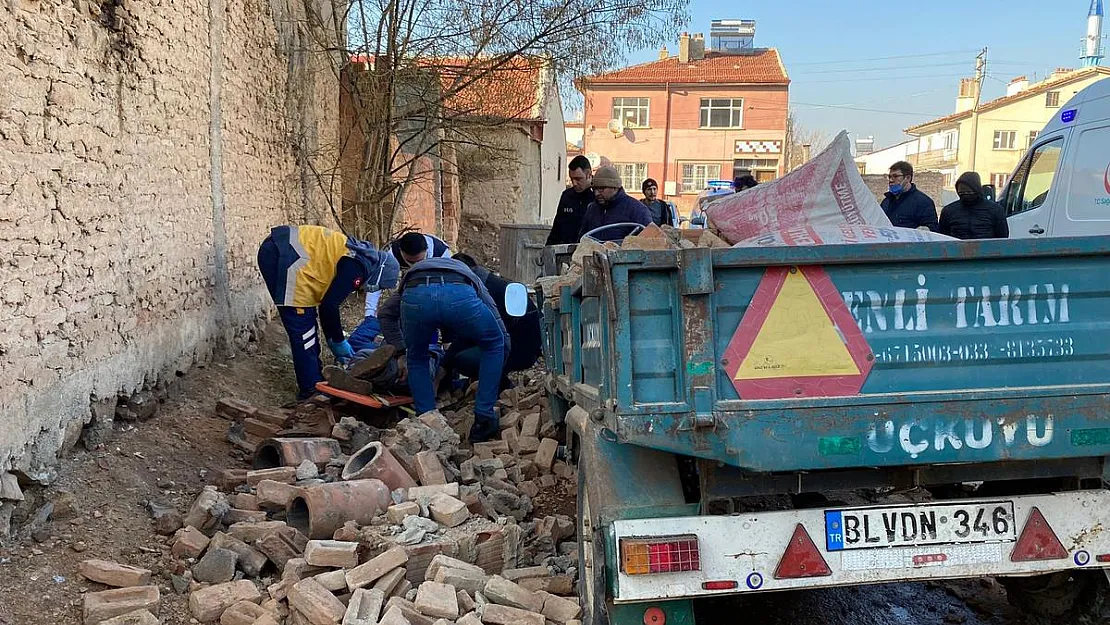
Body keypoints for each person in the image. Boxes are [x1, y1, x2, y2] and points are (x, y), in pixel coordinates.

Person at [257, 225, 399, 399]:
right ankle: (310, 391)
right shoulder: (358, 266)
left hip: (283, 250)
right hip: (284, 255)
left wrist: (335, 340)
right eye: (380, 285)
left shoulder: (360, 255)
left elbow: (328, 305)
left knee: (307, 327)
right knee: (304, 334)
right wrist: (338, 342)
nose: (373, 288)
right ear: (380, 274)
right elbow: (329, 306)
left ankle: (314, 381)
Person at [392, 257, 509, 442]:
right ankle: (484, 419)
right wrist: (504, 349)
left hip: (416, 293)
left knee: (416, 357)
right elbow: (492, 310)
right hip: (459, 294)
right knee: (494, 342)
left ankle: (426, 421)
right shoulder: (470, 274)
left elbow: (385, 313)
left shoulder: (415, 271)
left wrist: (399, 351)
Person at [448, 254, 542, 389]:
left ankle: (495, 389)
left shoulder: (484, 291)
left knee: (462, 360)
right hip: (524, 347)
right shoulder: (492, 282)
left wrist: (446, 364)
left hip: (519, 351)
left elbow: (472, 334)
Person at [349, 231, 452, 352]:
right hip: (406, 295)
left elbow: (449, 293)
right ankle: (384, 352)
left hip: (433, 300)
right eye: (411, 262)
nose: (415, 266)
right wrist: (370, 314)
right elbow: (377, 283)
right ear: (401, 252)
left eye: (419, 261)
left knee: (425, 343)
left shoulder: (442, 254)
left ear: (427, 251)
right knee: (357, 341)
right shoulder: (393, 252)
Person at [577, 166, 653, 242]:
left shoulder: (637, 210)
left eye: (601, 189)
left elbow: (651, 243)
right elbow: (582, 238)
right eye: (594, 189)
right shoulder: (592, 209)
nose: (596, 193)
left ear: (615, 187)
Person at [938, 172, 1009, 240]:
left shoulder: (995, 210)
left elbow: (1002, 237)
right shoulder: (949, 211)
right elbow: (943, 237)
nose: (965, 195)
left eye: (969, 192)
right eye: (962, 193)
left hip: (987, 250)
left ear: (977, 190)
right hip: (956, 250)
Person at [546, 155, 595, 245]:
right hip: (565, 250)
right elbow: (557, 227)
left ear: (588, 174)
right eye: (572, 179)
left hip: (588, 249)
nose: (574, 183)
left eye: (578, 179)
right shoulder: (567, 196)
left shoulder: (598, 196)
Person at [881, 161, 939, 231]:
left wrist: (923, 230)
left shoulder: (923, 202)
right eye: (889, 177)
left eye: (895, 176)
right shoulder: (886, 202)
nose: (891, 180)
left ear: (908, 178)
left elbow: (933, 229)